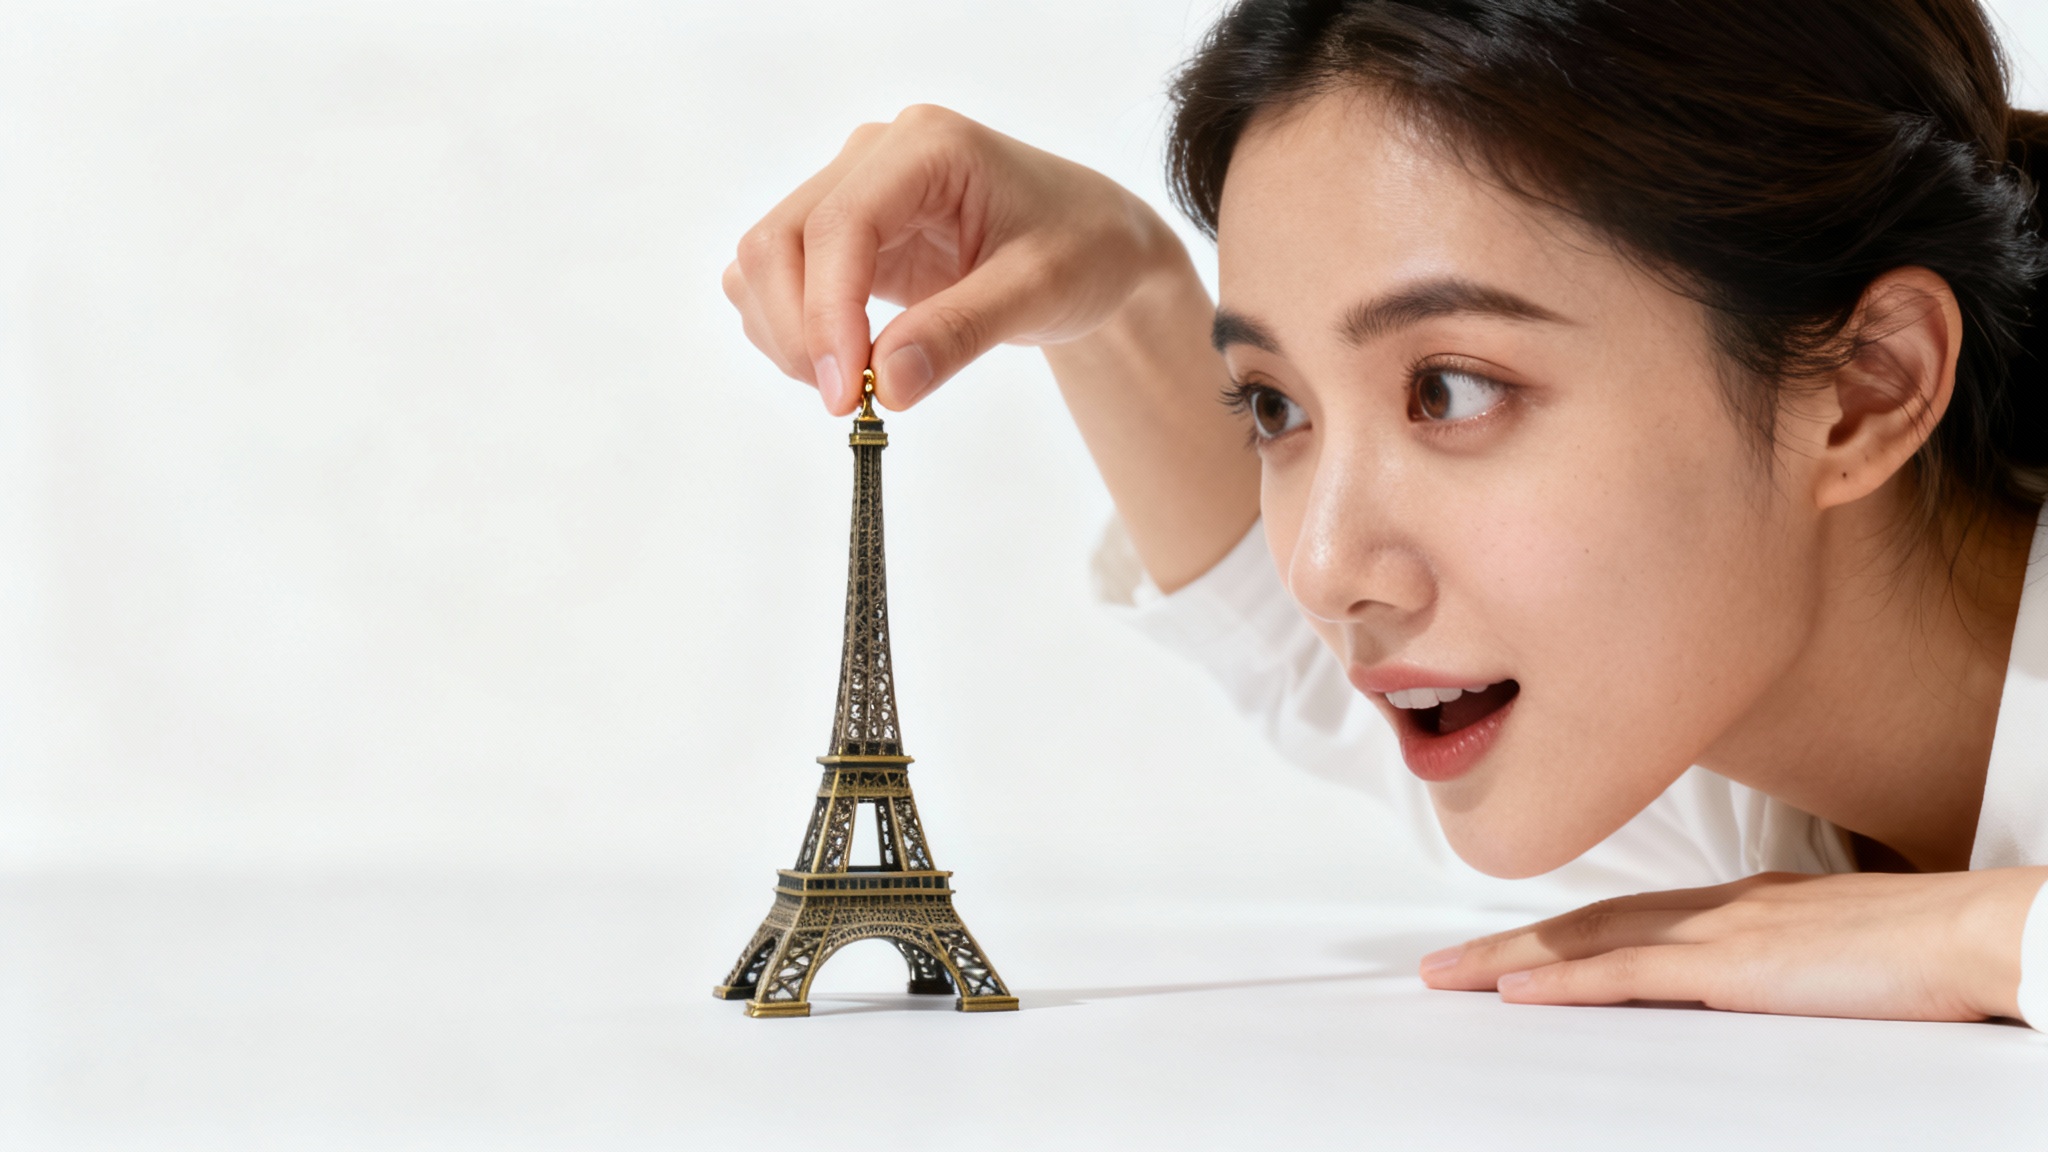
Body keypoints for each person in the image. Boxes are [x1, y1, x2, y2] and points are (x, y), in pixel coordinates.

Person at [722, 0, 2048, 1028]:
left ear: (1868, 390)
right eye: (1274, 406)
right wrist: (1124, 298)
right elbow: (1305, 669)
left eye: (1454, 388)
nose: (1323, 567)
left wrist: (1997, 940)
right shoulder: (1716, 750)